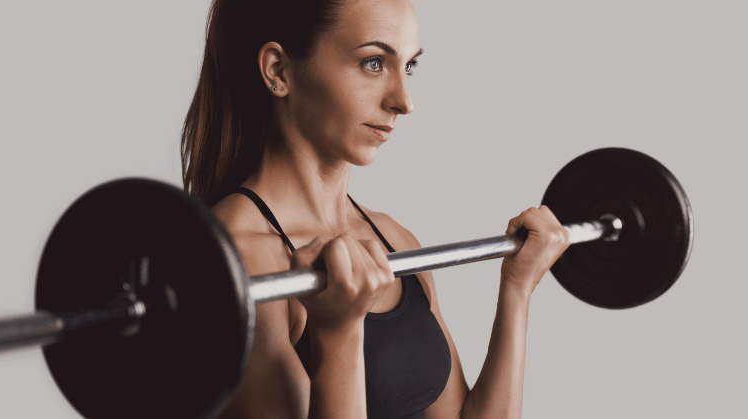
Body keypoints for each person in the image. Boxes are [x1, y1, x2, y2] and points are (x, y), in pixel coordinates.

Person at [180, 0, 570, 417]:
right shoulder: (241, 259)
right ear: (279, 70)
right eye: (373, 63)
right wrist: (338, 333)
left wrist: (517, 289)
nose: (404, 101)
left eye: (409, 67)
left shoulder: (395, 240)